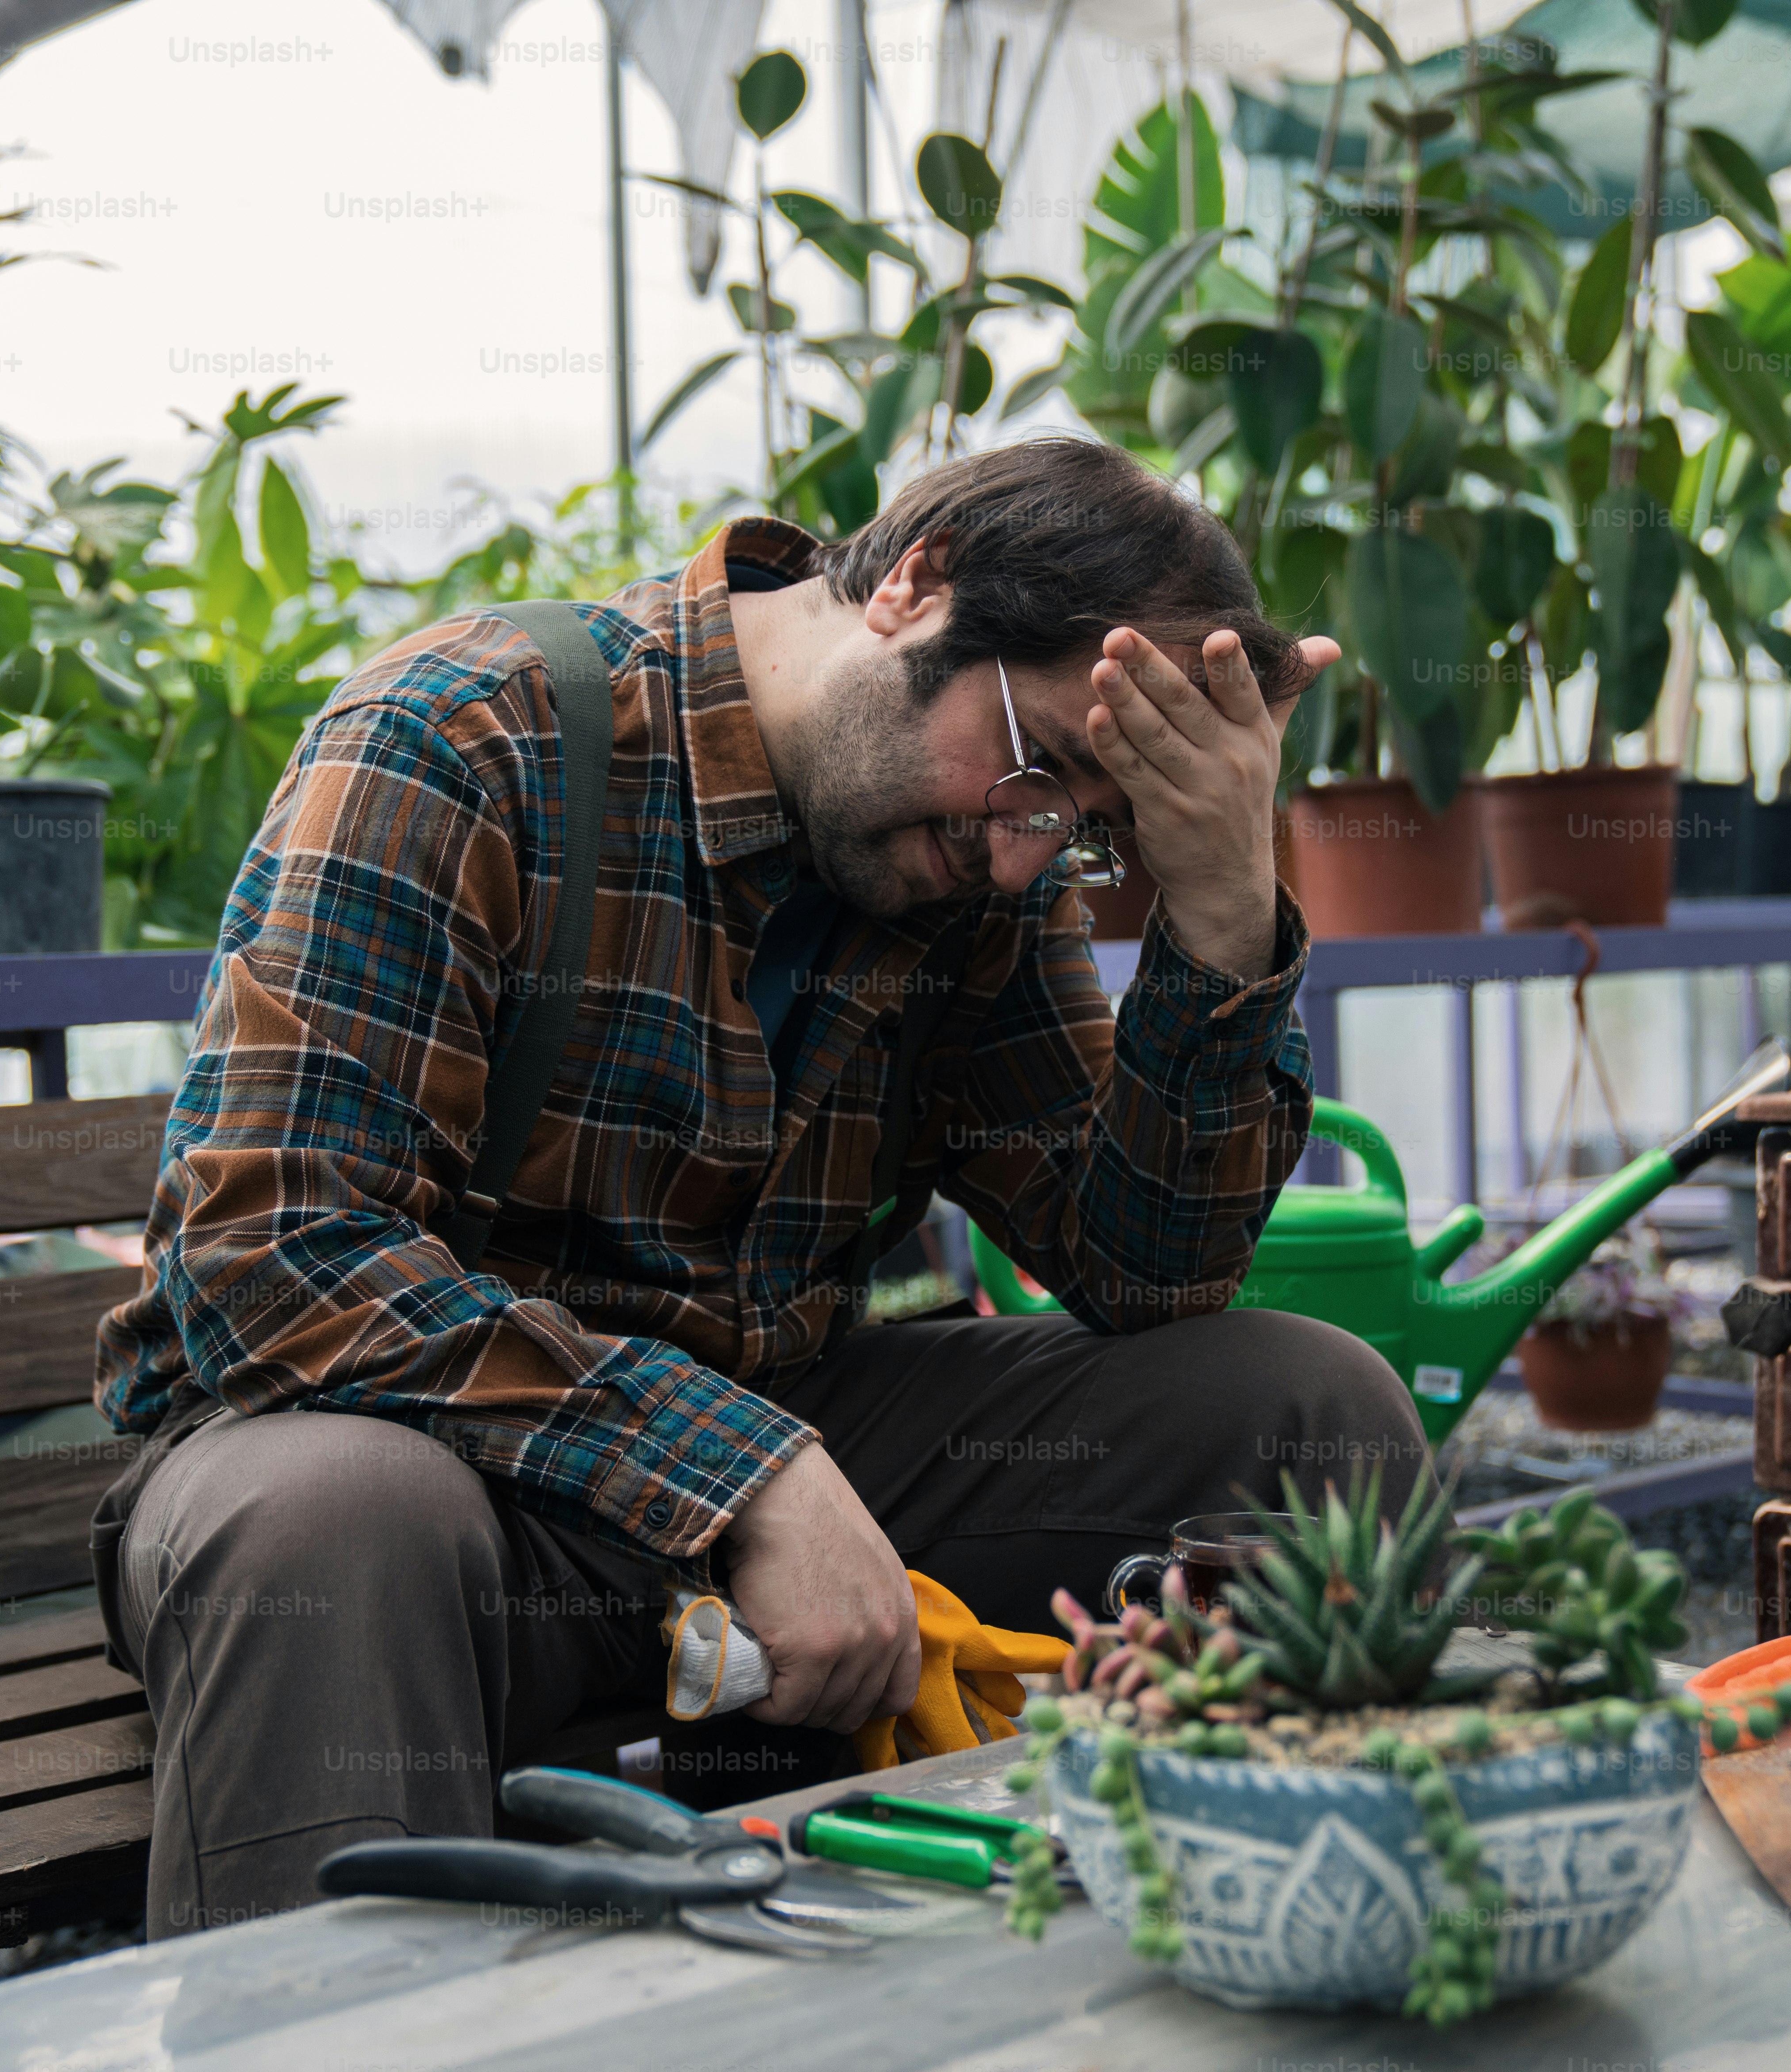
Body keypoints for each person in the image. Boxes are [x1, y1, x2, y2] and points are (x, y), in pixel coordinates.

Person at [86, 434, 1431, 1939]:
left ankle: (1283, 1961)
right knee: (327, 1516)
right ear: (915, 586)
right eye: (1041, 765)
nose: (1021, 854)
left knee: (1305, 1409)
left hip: (753, 1458)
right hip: (423, 1493)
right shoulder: (467, 739)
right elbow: (269, 1257)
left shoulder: (978, 858)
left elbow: (1146, 1274)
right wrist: (748, 1475)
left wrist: (1223, 908)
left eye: (1084, 829)